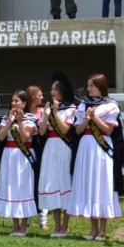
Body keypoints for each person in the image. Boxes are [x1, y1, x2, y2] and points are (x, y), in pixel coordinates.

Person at [68, 73, 124, 240]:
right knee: (89, 183)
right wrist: (86, 119)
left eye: (91, 85)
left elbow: (108, 130)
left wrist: (95, 117)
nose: (88, 88)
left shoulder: (111, 106)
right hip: (86, 146)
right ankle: (93, 229)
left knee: (102, 183)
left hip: (102, 148)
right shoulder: (83, 105)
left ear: (100, 86)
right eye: (88, 85)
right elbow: (77, 130)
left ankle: (103, 229)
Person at [37, 72, 77, 238]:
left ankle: (65, 226)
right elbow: (41, 131)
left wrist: (56, 112)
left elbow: (66, 130)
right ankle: (57, 225)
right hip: (50, 148)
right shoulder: (47, 109)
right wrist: (46, 115)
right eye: (52, 89)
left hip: (64, 148)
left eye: (56, 89)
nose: (52, 92)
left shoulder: (71, 109)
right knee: (52, 184)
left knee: (65, 184)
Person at [0, 90, 39, 236]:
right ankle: (15, 225)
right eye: (12, 101)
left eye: (17, 101)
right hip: (9, 155)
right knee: (11, 187)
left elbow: (25, 137)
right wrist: (9, 121)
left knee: (24, 187)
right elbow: (1, 137)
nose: (13, 103)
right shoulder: (5, 118)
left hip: (24, 156)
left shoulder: (30, 118)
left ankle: (24, 225)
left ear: (24, 103)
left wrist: (19, 121)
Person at [25, 85, 49, 230]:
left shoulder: (44, 112)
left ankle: (43, 218)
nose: (42, 97)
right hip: (27, 151)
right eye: (39, 95)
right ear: (33, 96)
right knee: (28, 183)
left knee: (41, 182)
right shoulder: (24, 113)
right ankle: (26, 216)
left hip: (43, 149)